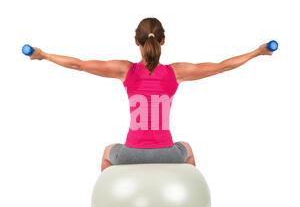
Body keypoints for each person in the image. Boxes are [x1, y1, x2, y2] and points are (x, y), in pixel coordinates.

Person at [28, 17, 274, 171]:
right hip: (168, 153)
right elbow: (222, 66)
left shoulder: (125, 70)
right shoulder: (175, 72)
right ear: (163, 41)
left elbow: (79, 64)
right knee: (186, 147)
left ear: (136, 41)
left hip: (129, 154)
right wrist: (257, 52)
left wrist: (45, 55)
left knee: (107, 151)